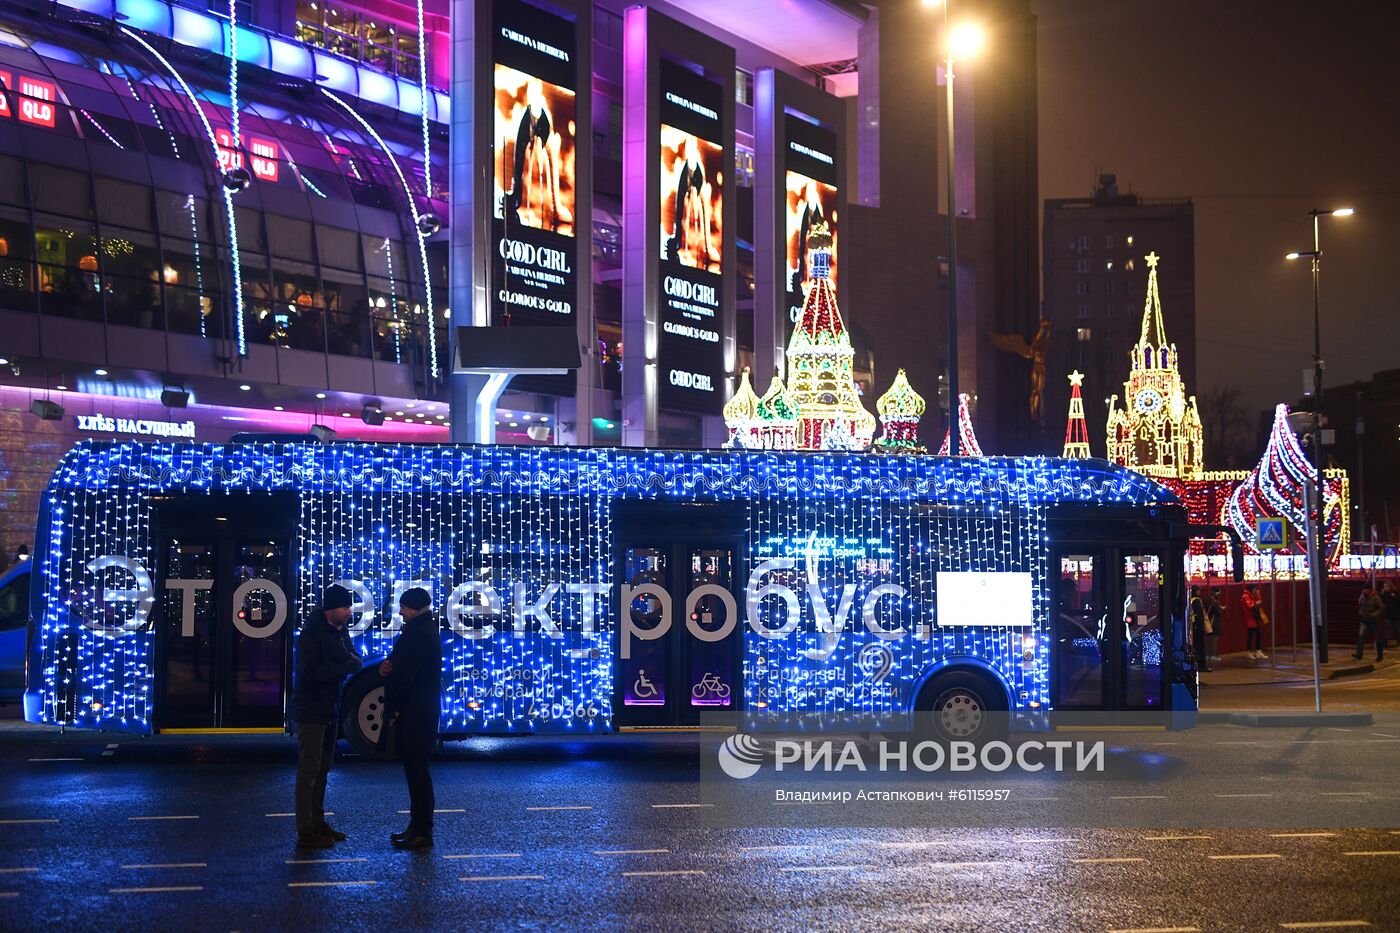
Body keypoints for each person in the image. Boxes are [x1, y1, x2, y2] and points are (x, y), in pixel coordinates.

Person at [289, 584, 363, 849]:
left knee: (322, 769)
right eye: (345, 607)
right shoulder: (311, 635)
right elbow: (311, 673)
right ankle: (305, 831)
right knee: (309, 769)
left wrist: (348, 664)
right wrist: (345, 667)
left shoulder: (340, 631)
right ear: (332, 609)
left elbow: (355, 657)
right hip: (312, 710)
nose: (349, 612)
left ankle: (318, 822)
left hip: (331, 707)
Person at [381, 587, 441, 850]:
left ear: (415, 608)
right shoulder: (421, 630)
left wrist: (394, 708)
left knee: (417, 774)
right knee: (416, 773)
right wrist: (388, 665)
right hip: (420, 712)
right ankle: (417, 828)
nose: (400, 611)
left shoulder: (419, 634)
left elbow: (405, 675)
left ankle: (422, 831)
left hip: (416, 714)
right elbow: (398, 664)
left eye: (404, 607)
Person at [1355, 586, 1385, 662]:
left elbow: (1381, 607)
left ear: (1369, 590)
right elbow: (1361, 605)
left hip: (1373, 620)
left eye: (1366, 589)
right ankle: (1359, 654)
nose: (1365, 591)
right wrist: (1361, 612)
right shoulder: (1363, 596)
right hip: (1364, 619)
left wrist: (1374, 614)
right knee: (1360, 637)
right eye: (1364, 589)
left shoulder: (1375, 597)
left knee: (1377, 638)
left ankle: (1380, 654)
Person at [1241, 584, 1268, 660]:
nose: (1255, 591)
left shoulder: (1253, 595)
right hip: (1249, 618)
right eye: (1255, 589)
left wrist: (1258, 596)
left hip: (1255, 618)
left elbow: (1258, 603)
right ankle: (1249, 652)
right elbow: (1250, 606)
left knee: (1258, 634)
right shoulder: (1245, 596)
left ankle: (1258, 652)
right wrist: (1257, 602)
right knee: (1250, 636)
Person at [1189, 586, 1212, 672]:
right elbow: (1200, 615)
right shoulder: (1197, 600)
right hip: (1198, 627)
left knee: (1194, 646)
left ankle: (1195, 665)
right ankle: (1202, 666)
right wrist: (1202, 626)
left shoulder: (1190, 600)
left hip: (1192, 626)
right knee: (1200, 647)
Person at [1380, 580, 1400, 649]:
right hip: (1388, 613)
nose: (1385, 588)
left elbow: (1398, 601)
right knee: (1387, 629)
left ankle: (1399, 642)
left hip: (1396, 613)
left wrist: (1395, 597)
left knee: (1397, 629)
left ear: (1389, 586)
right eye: (1384, 586)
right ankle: (1385, 643)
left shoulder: (1395, 592)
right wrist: (1382, 593)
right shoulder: (1384, 593)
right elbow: (1382, 600)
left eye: (1386, 586)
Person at [1206, 588, 1225, 664]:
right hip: (1215, 623)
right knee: (1214, 640)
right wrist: (1221, 609)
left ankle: (1208, 654)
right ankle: (1213, 655)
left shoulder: (1207, 600)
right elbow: (1218, 612)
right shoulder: (1215, 602)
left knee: (1209, 640)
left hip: (1208, 622)